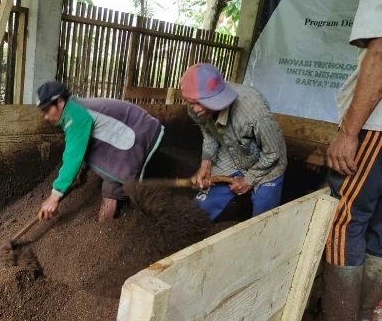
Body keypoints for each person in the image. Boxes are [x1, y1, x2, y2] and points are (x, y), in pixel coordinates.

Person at [304, 0, 382, 321]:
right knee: (380, 224)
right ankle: (364, 320)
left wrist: (350, 132)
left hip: (376, 128)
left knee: (344, 220)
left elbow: (380, 52)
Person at [35, 80, 164, 221]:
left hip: (138, 136)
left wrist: (55, 195)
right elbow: (87, 144)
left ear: (60, 102)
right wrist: (83, 170)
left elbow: (73, 155)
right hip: (136, 132)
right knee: (116, 178)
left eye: (47, 110)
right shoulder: (73, 109)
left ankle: (147, 216)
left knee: (118, 184)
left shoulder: (74, 115)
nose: (46, 117)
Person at [179, 63, 287, 221]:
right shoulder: (196, 108)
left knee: (263, 221)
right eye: (191, 102)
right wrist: (206, 163)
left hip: (267, 162)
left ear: (216, 98)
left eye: (199, 103)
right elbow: (209, 132)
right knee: (199, 210)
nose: (195, 109)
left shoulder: (254, 113)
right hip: (231, 153)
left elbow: (273, 153)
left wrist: (249, 179)